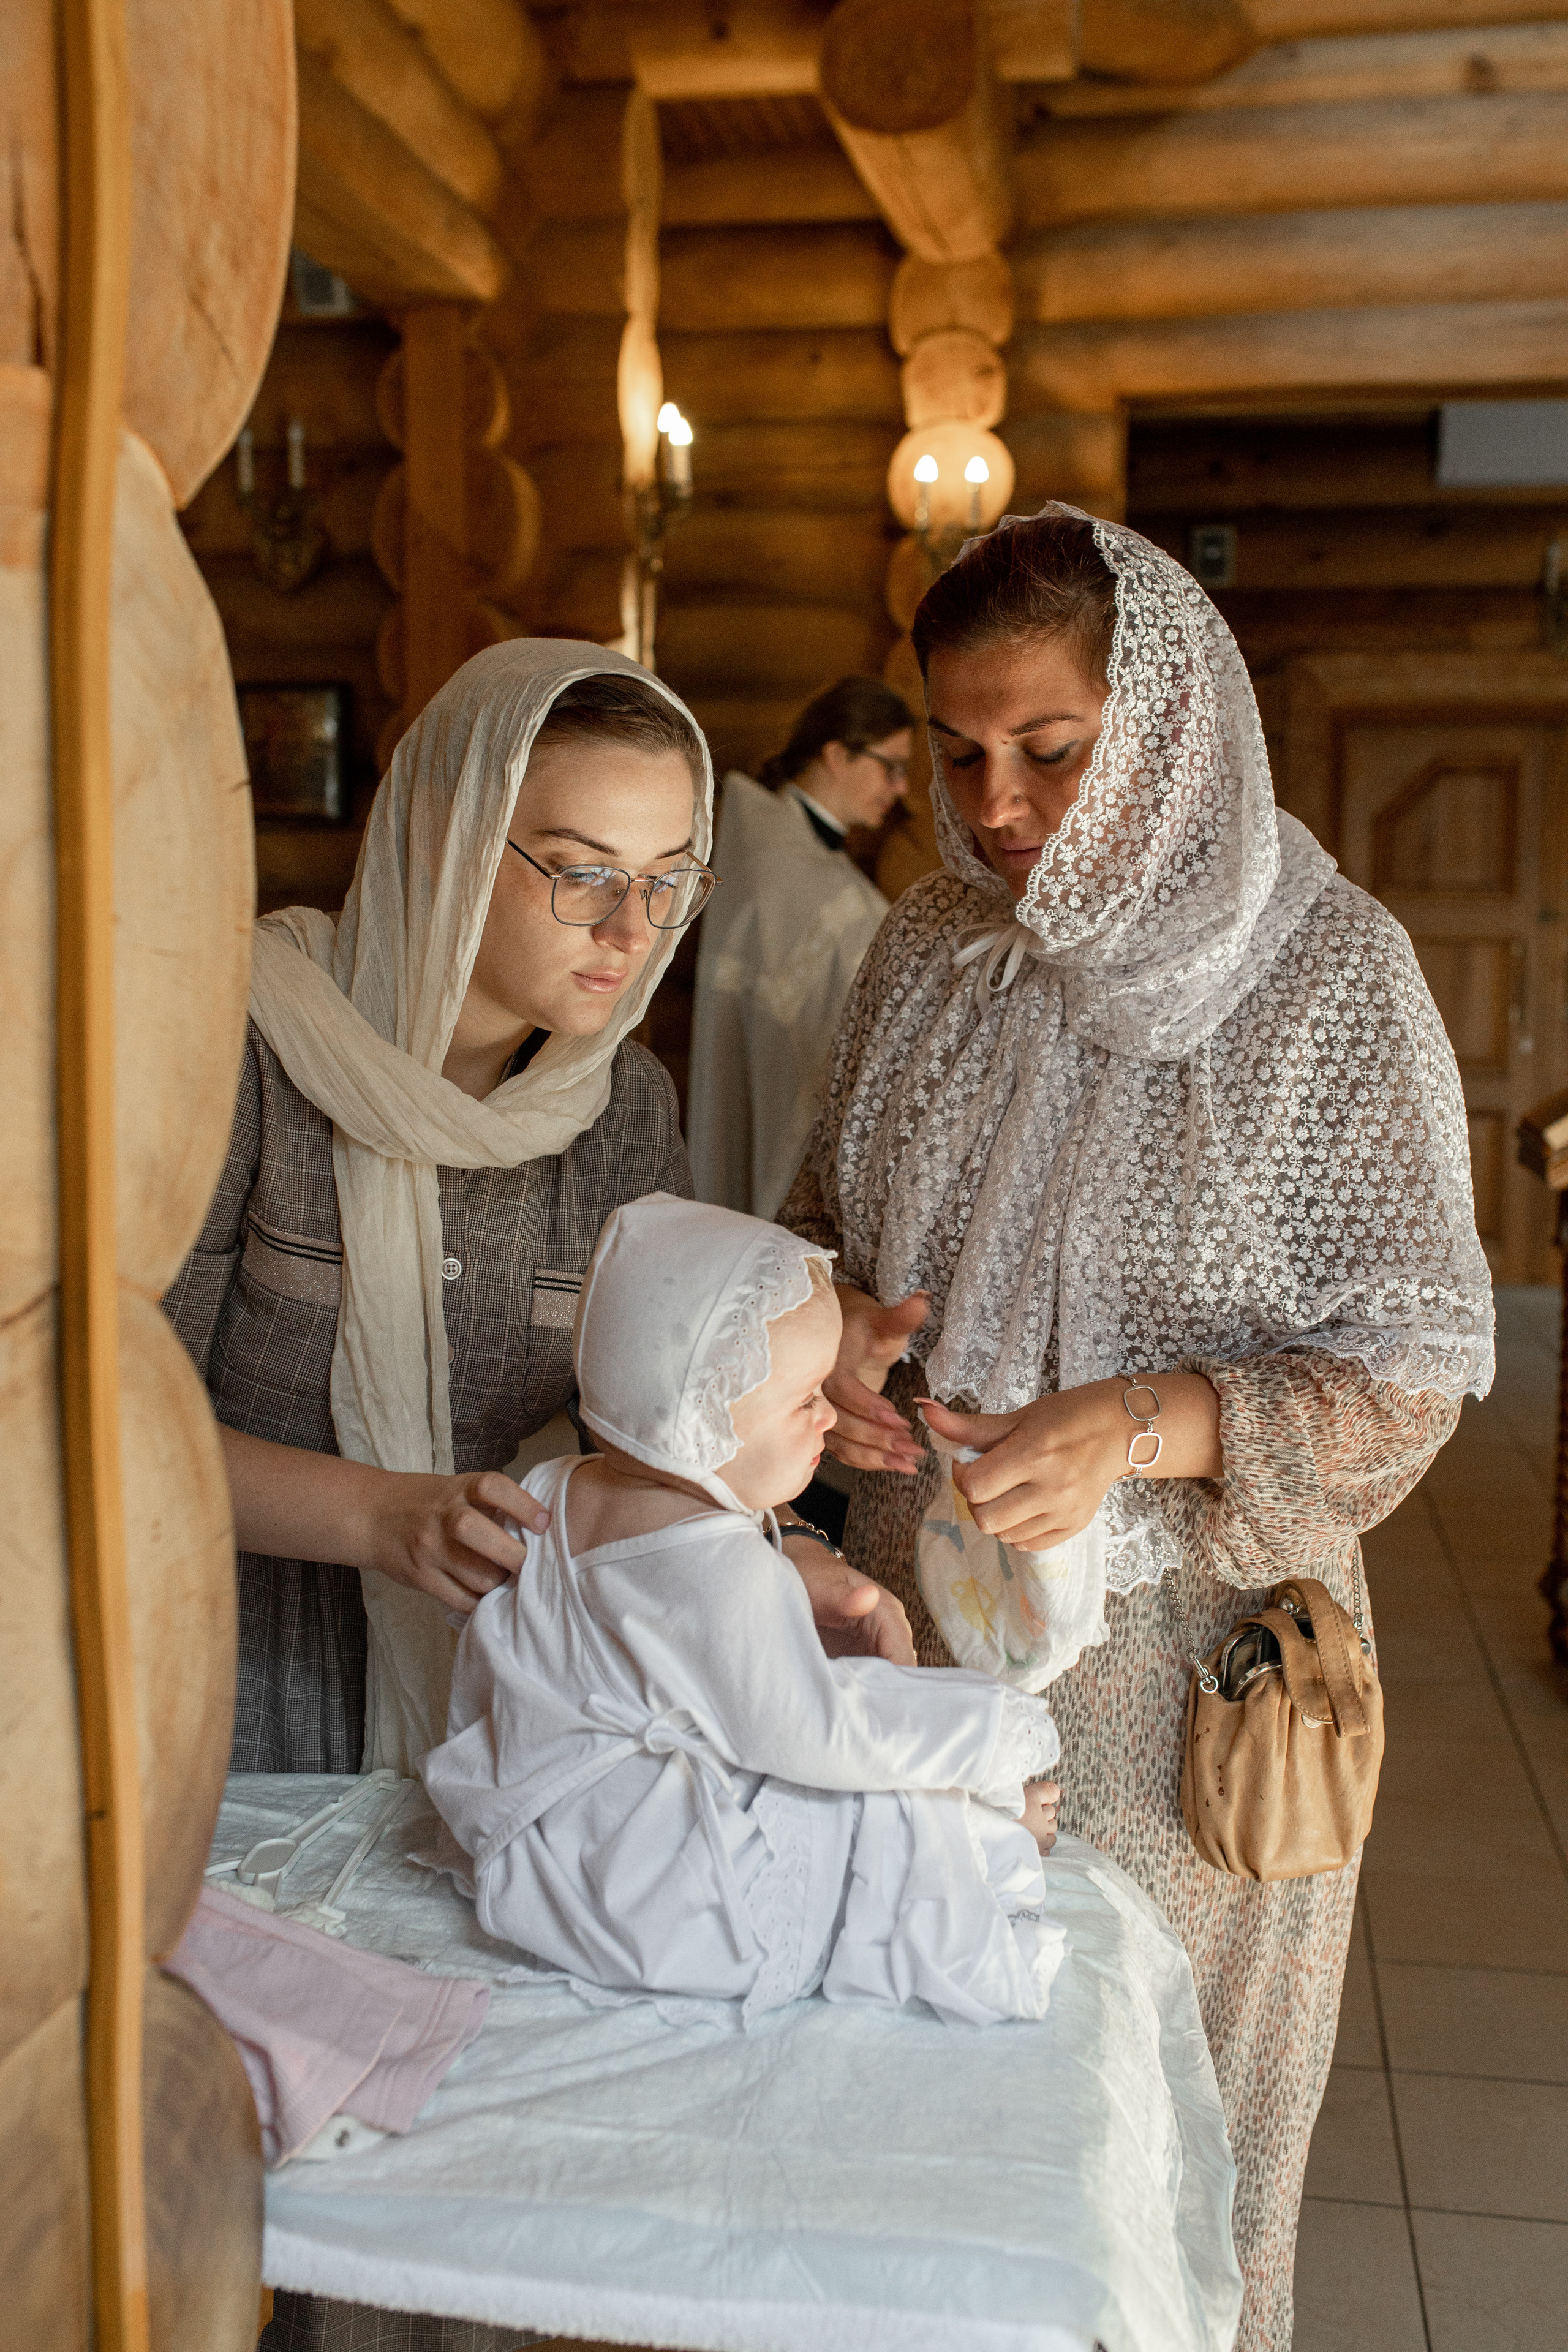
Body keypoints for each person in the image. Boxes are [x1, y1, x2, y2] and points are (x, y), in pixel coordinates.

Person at [779, 508, 1493, 2352]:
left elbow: (1413, 1365)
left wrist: (1135, 1420)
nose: (994, 804)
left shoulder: (1324, 976)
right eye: (956, 751)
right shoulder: (928, 949)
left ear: (1166, 724)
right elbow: (818, 1224)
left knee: (1147, 2165)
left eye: (1048, 746)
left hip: (1187, 1684)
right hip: (913, 1650)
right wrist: (829, 1343)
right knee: (914, 2141)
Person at [166, 645, 911, 2352]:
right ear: (442, 834)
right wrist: (381, 1519)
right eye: (579, 871)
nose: (629, 928)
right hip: (235, 1702)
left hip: (510, 1724)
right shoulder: (234, 1050)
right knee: (244, 2193)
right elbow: (104, 1430)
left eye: (668, 880)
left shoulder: (619, 1107)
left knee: (472, 2197)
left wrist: (770, 1524)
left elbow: (637, 1435)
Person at [423, 1193, 1066, 2030]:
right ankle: (994, 1830)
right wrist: (993, 1738)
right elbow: (818, 1732)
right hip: (653, 1893)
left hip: (545, 1845)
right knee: (867, 1797)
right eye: (805, 1399)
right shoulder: (721, 1565)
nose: (829, 1416)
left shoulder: (551, 1490)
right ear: (697, 1423)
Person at [687, 675, 912, 1219]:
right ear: (837, 754)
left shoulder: (789, 845)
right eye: (892, 766)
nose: (901, 787)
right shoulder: (784, 862)